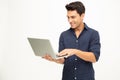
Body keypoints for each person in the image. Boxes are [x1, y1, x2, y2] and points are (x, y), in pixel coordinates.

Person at [43, 1, 101, 80]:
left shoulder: (93, 34)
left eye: (73, 17)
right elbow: (63, 60)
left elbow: (94, 58)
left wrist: (75, 51)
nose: (70, 20)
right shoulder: (64, 35)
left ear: (82, 16)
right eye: (68, 17)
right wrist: (53, 59)